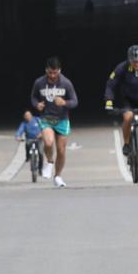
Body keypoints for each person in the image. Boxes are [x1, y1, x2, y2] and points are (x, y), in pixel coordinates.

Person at [30, 57, 79, 188]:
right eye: (50, 72)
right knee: (48, 142)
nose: (52, 75)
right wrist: (37, 105)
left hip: (62, 120)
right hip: (46, 118)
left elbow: (75, 101)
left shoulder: (66, 83)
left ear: (59, 70)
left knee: (61, 150)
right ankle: (50, 162)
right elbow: (33, 97)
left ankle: (57, 176)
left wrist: (65, 103)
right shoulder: (39, 82)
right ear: (46, 70)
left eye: (55, 72)